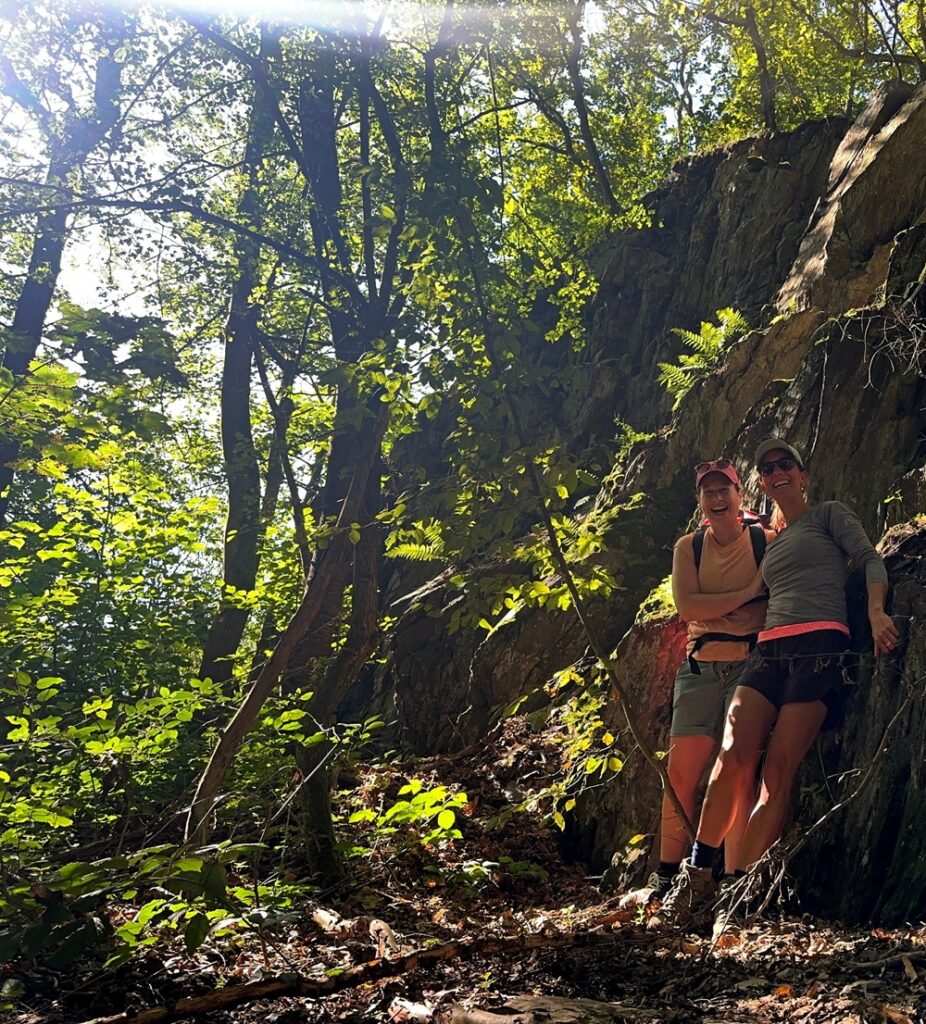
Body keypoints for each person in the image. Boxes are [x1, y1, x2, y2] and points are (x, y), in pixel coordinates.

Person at [653, 438, 898, 930]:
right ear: (761, 483)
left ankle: (741, 892)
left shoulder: (828, 514)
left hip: (819, 647)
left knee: (776, 772)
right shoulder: (771, 538)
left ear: (802, 473)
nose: (777, 471)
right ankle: (698, 875)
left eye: (785, 463)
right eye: (767, 468)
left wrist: (875, 612)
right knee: (732, 754)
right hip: (767, 652)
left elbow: (869, 558)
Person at [646, 458, 775, 900]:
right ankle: (666, 875)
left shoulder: (765, 541)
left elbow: (771, 607)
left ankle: (733, 879)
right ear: (701, 501)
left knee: (739, 771)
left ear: (741, 496)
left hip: (749, 666)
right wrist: (746, 593)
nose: (718, 498)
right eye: (709, 492)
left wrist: (719, 605)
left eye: (725, 490)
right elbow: (688, 608)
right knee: (681, 774)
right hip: (699, 668)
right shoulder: (690, 547)